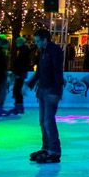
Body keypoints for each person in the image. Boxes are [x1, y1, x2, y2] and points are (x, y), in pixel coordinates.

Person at [25, 29, 64, 164]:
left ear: (44, 40)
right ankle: (46, 147)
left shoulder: (55, 51)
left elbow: (58, 72)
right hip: (42, 90)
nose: (36, 44)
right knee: (42, 121)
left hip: (51, 91)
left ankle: (54, 150)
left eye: (37, 41)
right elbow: (40, 71)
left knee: (48, 121)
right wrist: (29, 84)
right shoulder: (43, 52)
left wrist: (57, 91)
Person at [10, 36, 31, 114]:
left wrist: (18, 73)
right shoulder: (23, 50)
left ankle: (18, 107)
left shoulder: (23, 51)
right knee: (17, 90)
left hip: (20, 73)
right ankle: (19, 107)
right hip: (20, 73)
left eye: (16, 42)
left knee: (17, 90)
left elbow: (21, 63)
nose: (16, 44)